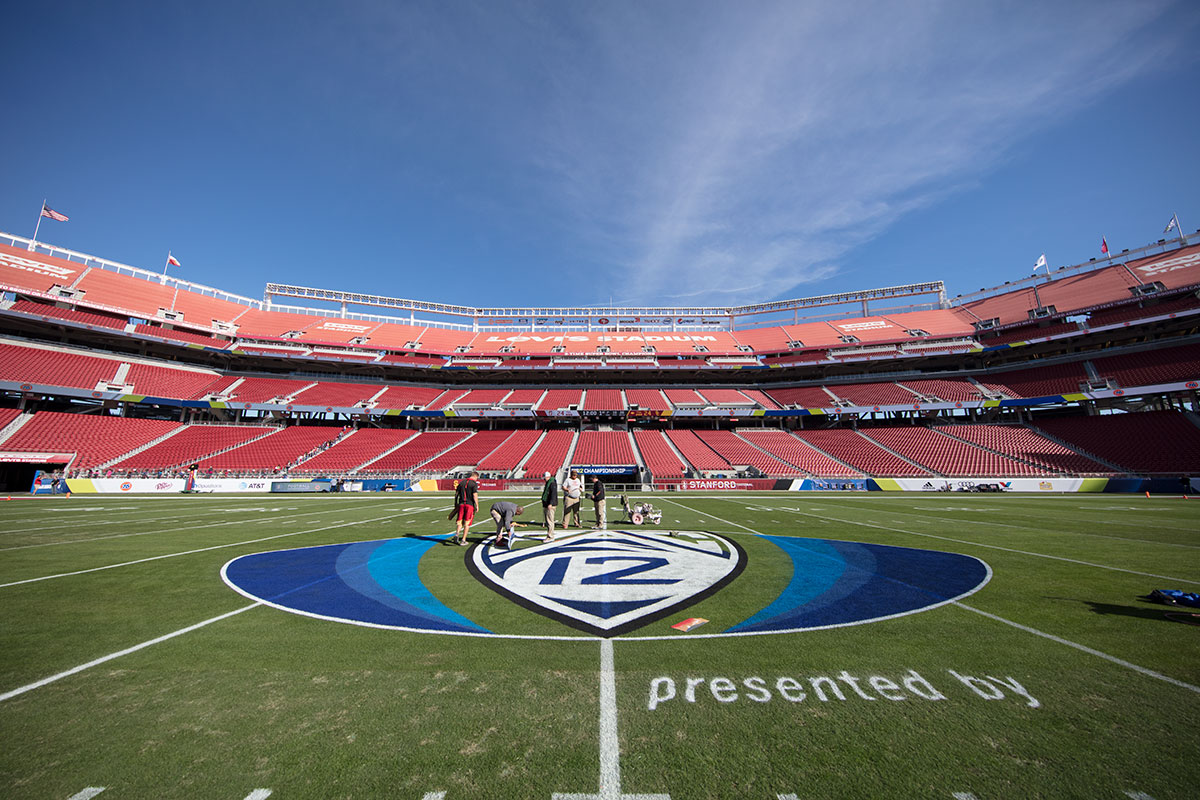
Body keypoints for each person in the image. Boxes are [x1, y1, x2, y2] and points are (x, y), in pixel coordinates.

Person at [453, 472, 480, 545]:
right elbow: (475, 495)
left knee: (459, 521)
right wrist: (477, 505)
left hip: (461, 504)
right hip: (469, 505)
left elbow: (456, 494)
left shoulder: (462, 483)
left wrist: (455, 503)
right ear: (475, 476)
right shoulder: (473, 484)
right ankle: (463, 540)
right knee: (467, 523)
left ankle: (457, 534)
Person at [541, 471, 558, 542]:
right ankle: (550, 534)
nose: (544, 479)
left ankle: (550, 536)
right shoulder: (549, 483)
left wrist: (550, 503)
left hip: (550, 504)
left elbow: (553, 494)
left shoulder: (552, 483)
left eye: (545, 478)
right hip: (547, 504)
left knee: (550, 520)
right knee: (548, 520)